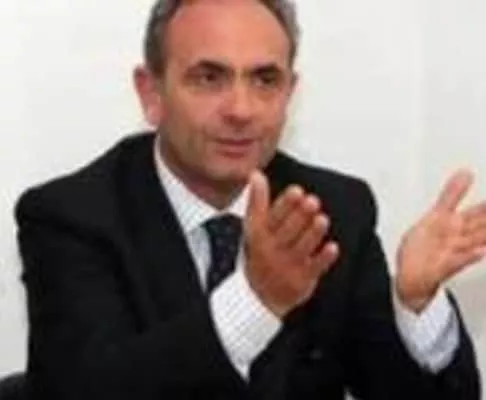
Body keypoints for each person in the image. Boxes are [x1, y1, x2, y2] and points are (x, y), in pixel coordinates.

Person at [15, 0, 486, 399]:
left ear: (289, 93)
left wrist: (415, 305)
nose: (241, 110)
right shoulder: (71, 217)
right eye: (209, 78)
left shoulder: (333, 209)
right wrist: (256, 302)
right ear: (151, 93)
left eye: (265, 79)